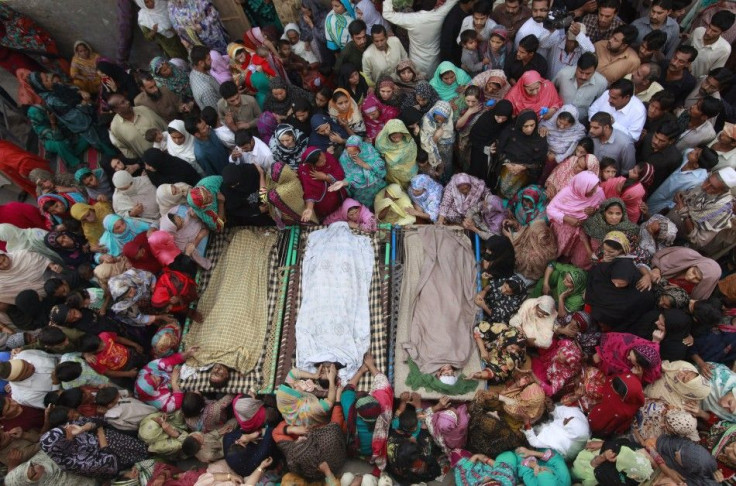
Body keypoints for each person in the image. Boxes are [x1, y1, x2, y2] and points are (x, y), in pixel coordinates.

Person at [585, 232, 655, 330]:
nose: (606, 253)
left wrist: (647, 275)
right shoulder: (610, 255)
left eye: (611, 252)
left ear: (622, 250)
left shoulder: (624, 264)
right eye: (605, 250)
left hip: (631, 299)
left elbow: (619, 284)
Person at [664, 168, 736, 252]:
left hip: (675, 242)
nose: (705, 186)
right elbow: (690, 197)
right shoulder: (706, 185)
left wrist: (684, 213)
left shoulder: (722, 212)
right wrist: (682, 195)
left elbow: (698, 241)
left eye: (713, 187)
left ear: (722, 191)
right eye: (708, 180)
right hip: (666, 223)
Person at [382, 0, 461, 75]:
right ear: (435, 4)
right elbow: (452, 1)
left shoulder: (412, 19)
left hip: (416, 62)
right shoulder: (439, 15)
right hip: (434, 61)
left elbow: (387, 14)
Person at [495, 110, 549, 198]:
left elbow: (540, 161)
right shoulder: (510, 132)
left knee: (519, 196)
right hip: (506, 169)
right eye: (526, 126)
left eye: (532, 125)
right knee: (501, 193)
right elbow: (499, 149)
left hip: (525, 174)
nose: (529, 129)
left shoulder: (540, 138)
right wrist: (507, 163)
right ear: (520, 124)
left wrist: (523, 167)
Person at [329, 135, 387, 208]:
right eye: (349, 152)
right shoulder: (344, 158)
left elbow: (380, 166)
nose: (351, 155)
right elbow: (350, 177)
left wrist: (363, 164)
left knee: (383, 202)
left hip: (376, 185)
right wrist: (343, 183)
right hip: (361, 191)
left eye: (354, 152)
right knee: (367, 208)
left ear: (360, 148)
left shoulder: (368, 149)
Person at [297, 146, 346, 221]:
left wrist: (325, 177)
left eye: (324, 158)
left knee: (338, 211)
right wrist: (309, 208)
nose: (325, 161)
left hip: (336, 196)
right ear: (312, 164)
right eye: (321, 162)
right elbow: (309, 191)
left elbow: (340, 176)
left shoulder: (328, 157)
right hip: (322, 204)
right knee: (326, 218)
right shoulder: (305, 170)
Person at [688, 10, 735, 78]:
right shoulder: (698, 31)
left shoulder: (724, 50)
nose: (708, 32)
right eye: (709, 27)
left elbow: (713, 74)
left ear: (723, 32)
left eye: (714, 31)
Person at [375, 119, 418, 189]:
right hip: (392, 170)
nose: (397, 140)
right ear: (388, 135)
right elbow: (380, 156)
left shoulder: (409, 141)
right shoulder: (381, 142)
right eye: (394, 137)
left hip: (409, 166)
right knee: (396, 185)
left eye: (399, 136)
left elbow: (412, 154)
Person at [419, 100, 455, 182]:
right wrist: (436, 137)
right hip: (432, 149)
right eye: (437, 118)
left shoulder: (448, 121)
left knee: (447, 163)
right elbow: (425, 142)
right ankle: (437, 180)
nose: (439, 121)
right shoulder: (427, 121)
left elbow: (448, 133)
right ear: (433, 114)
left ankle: (446, 179)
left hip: (445, 147)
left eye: (443, 119)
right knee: (436, 167)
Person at [189, 46, 222, 111]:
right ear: (201, 63)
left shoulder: (194, 72)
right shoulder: (206, 90)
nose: (212, 61)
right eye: (209, 59)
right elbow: (218, 111)